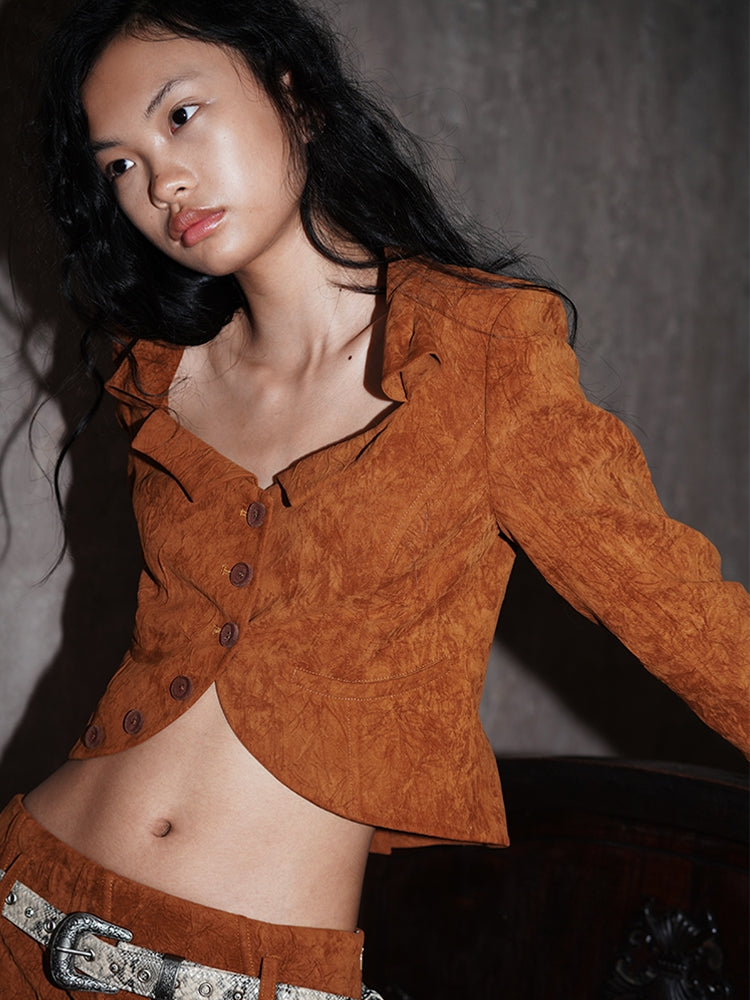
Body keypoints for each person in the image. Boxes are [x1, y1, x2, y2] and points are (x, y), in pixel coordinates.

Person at [0, 0, 747, 997]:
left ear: (294, 96)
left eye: (180, 115)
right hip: (22, 899)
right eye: (121, 165)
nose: (161, 181)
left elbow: (682, 614)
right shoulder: (160, 374)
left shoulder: (477, 354)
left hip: (247, 974)